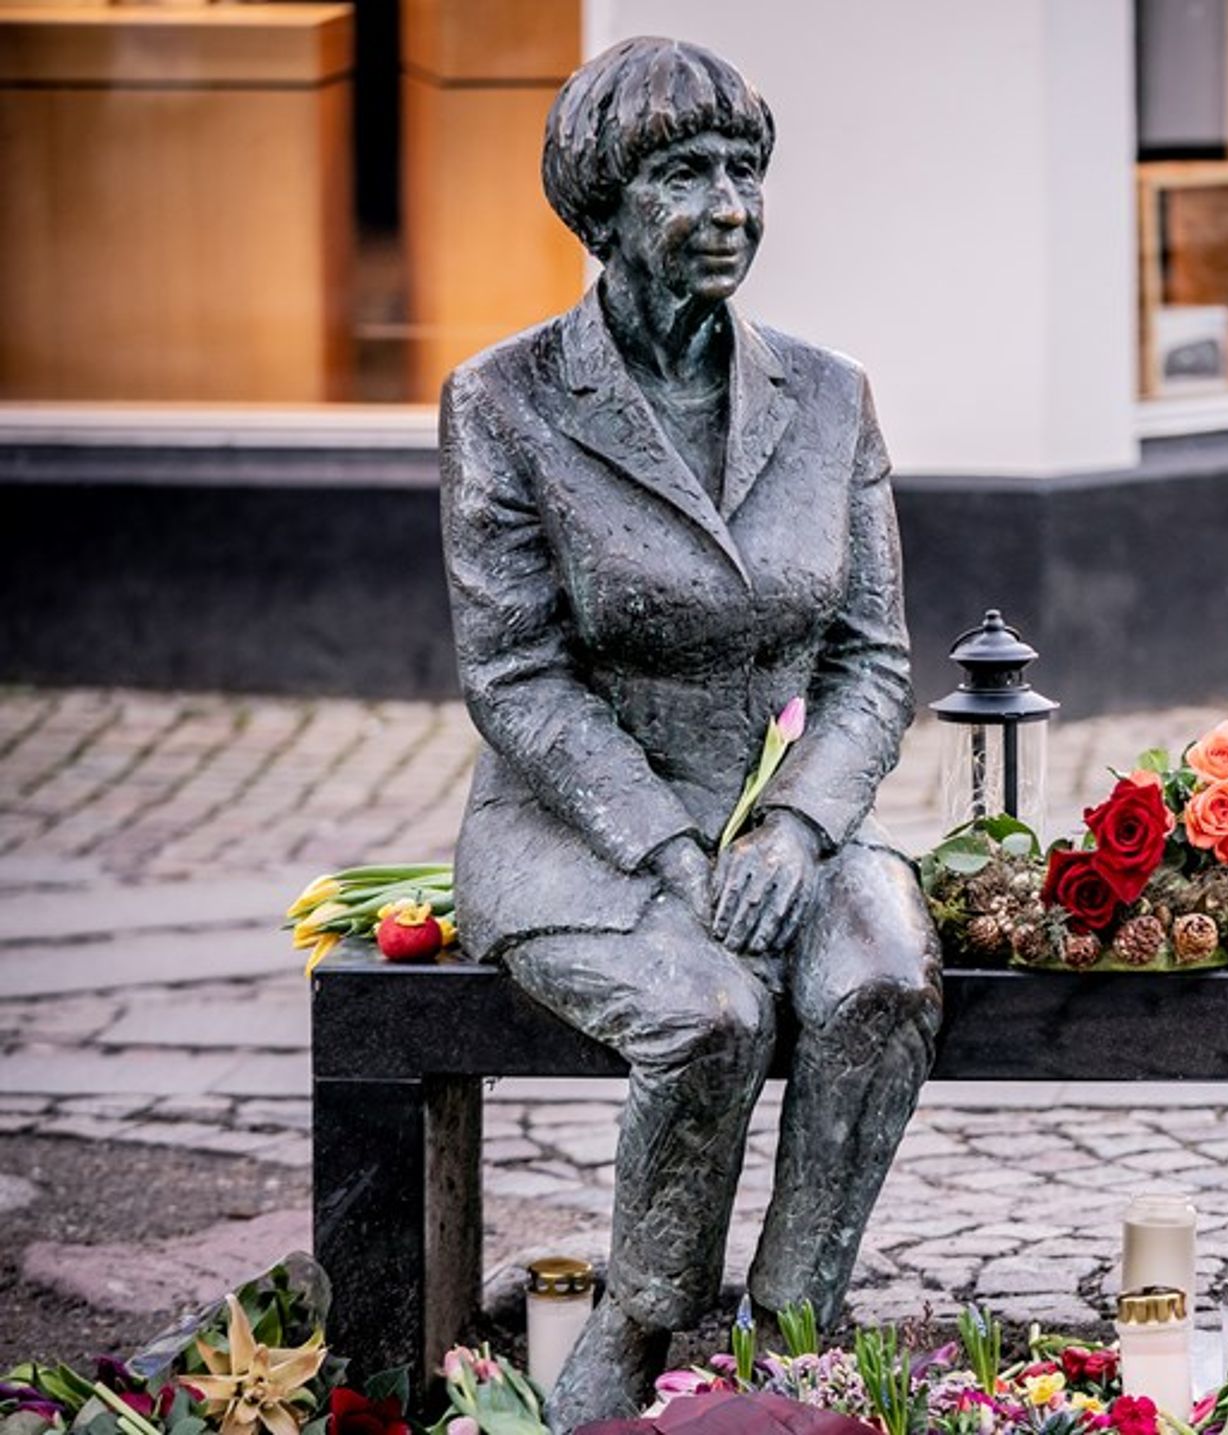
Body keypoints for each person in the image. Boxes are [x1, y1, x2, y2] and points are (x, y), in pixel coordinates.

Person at [437, 37, 940, 1428]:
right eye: (684, 175)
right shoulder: (508, 403)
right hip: (587, 839)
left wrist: (792, 824)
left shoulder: (829, 397)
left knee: (882, 983)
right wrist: (670, 850)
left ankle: (791, 1335)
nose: (728, 206)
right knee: (711, 1014)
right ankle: (642, 1317)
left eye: (744, 172)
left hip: (788, 817)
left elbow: (870, 659)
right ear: (604, 207)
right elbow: (518, 673)